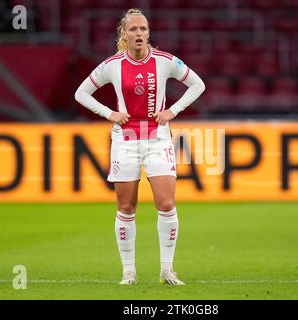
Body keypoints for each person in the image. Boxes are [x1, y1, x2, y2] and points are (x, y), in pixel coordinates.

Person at [75, 8, 205, 285]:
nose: (138, 34)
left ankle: (167, 270)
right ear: (124, 34)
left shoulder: (165, 61)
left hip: (158, 138)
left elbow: (197, 85)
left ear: (149, 33)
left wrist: (173, 110)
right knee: (126, 207)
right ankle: (128, 272)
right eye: (133, 29)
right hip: (125, 140)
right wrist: (110, 114)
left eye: (143, 29)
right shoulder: (111, 65)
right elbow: (81, 93)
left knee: (167, 203)